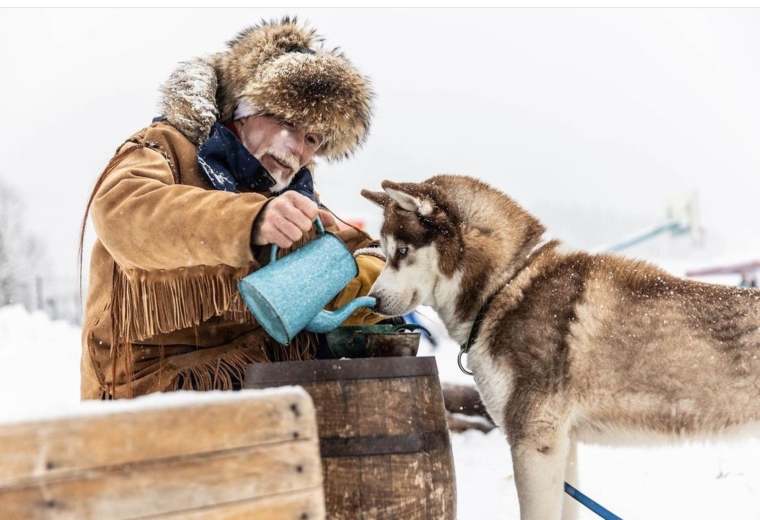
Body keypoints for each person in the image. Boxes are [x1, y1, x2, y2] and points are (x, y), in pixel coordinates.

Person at [79, 17, 387, 399]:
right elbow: (123, 212)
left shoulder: (293, 193)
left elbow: (357, 252)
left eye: (312, 137)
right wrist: (251, 221)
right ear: (243, 107)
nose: (299, 149)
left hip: (264, 393)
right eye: (288, 121)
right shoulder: (166, 146)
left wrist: (372, 269)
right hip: (152, 393)